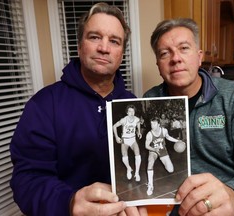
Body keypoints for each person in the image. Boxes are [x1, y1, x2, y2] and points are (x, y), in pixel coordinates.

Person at [9, 3, 147, 216]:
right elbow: (27, 180)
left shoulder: (133, 105)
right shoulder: (45, 104)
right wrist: (69, 202)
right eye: (94, 37)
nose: (104, 47)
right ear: (80, 46)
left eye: (114, 41)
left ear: (121, 54)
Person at [143, 17, 234, 216]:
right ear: (158, 65)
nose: (175, 58)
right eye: (164, 53)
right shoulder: (148, 101)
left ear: (199, 57)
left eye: (184, 48)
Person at [145, 116, 180, 196]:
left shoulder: (164, 131)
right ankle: (150, 185)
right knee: (150, 161)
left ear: (158, 124)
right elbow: (146, 146)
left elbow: (168, 137)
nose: (152, 125)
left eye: (154, 124)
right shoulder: (149, 134)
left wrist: (178, 141)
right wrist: (154, 150)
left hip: (162, 150)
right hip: (153, 150)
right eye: (151, 124)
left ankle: (163, 161)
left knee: (170, 170)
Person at [113, 104, 142, 182]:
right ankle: (128, 169)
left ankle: (137, 173)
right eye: (130, 111)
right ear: (127, 112)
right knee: (124, 157)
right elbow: (114, 126)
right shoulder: (124, 120)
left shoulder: (136, 119)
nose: (131, 113)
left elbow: (138, 123)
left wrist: (139, 132)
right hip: (125, 140)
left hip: (133, 139)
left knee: (138, 155)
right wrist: (116, 137)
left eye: (133, 111)